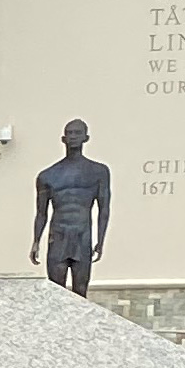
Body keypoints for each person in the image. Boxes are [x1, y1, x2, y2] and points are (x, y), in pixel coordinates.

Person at [31, 118, 112, 294]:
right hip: (58, 234)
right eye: (69, 133)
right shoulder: (48, 175)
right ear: (63, 139)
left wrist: (101, 240)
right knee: (56, 290)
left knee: (81, 289)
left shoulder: (98, 172)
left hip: (82, 235)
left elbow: (104, 209)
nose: (73, 137)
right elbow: (41, 213)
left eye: (77, 133)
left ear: (86, 138)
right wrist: (36, 241)